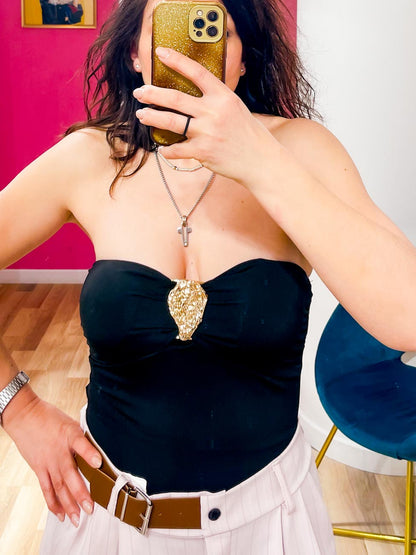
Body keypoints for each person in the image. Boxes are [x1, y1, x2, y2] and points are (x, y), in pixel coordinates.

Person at [1, 0, 416, 553]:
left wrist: (260, 161)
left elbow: (407, 318)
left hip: (271, 524)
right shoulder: (87, 159)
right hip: (105, 521)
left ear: (244, 59)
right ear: (135, 54)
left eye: (217, 28)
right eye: (168, 25)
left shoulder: (300, 152)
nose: (194, 50)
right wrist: (20, 410)